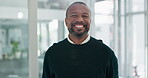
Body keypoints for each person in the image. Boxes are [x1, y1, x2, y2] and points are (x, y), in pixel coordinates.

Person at [42, 1, 119, 78]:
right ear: (66, 21)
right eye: (74, 15)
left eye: (85, 16)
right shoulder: (52, 53)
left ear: (90, 21)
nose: (80, 19)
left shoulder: (106, 54)